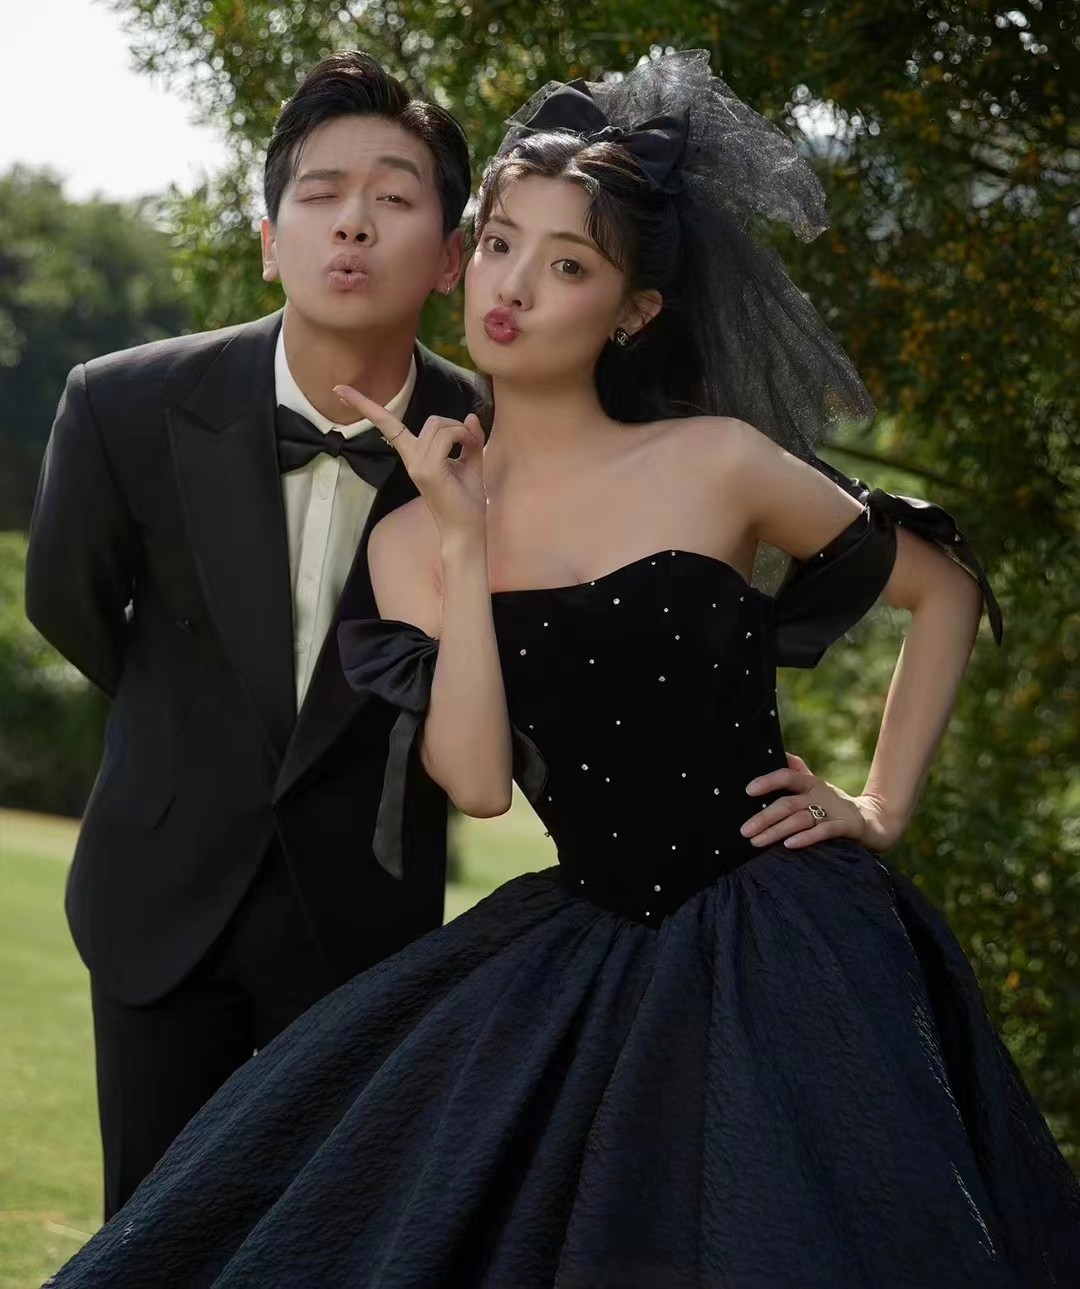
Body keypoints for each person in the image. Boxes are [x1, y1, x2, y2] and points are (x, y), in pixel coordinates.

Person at [47, 51, 1080, 1287]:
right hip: (585, 951)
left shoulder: (717, 460)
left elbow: (940, 586)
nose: (516, 285)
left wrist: (879, 802)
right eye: (500, 246)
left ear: (634, 311)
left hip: (790, 937)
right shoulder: (413, 536)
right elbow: (478, 782)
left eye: (570, 264)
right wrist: (464, 538)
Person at [24, 51, 477, 1219]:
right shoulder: (120, 404)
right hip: (157, 895)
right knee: (148, 1234)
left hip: (366, 920)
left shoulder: (492, 441)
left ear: (451, 256)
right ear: (272, 240)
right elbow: (71, 605)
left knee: (323, 1245)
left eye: (394, 197)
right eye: (320, 195)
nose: (353, 223)